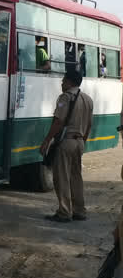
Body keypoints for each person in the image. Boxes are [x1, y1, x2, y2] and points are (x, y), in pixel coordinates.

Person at [40, 68, 94, 222]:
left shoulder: (65, 97)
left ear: (70, 82)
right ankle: (79, 211)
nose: (62, 83)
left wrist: (47, 140)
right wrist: (83, 141)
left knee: (62, 177)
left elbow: (58, 121)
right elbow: (89, 125)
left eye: (64, 80)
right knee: (76, 177)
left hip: (67, 142)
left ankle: (64, 211)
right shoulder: (88, 99)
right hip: (80, 142)